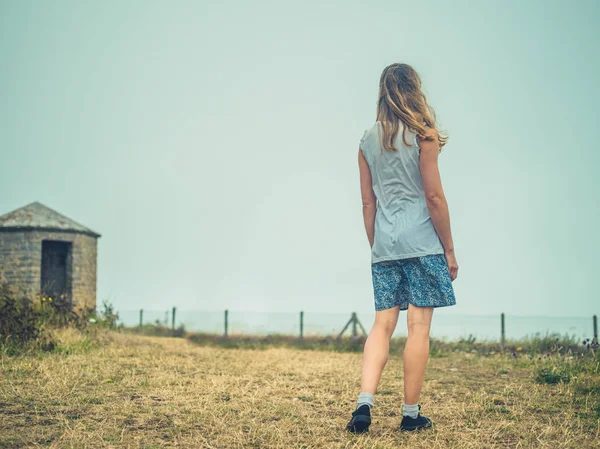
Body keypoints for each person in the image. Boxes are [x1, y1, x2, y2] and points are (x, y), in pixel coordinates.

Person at [346, 63, 458, 434]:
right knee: (418, 327)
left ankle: (364, 405)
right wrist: (450, 251)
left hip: (385, 244)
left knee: (382, 324)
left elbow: (367, 204)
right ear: (414, 90)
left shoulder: (366, 139)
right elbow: (434, 197)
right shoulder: (423, 136)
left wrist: (377, 245)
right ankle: (410, 415)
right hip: (423, 242)